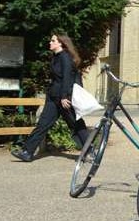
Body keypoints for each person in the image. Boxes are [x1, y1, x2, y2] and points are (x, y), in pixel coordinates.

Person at [12, 33, 90, 162]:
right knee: (42, 124)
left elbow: (67, 78)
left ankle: (89, 151)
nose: (50, 42)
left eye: (53, 40)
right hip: (53, 98)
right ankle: (27, 152)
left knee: (76, 124)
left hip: (64, 99)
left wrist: (65, 97)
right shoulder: (56, 57)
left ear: (61, 43)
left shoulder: (65, 57)